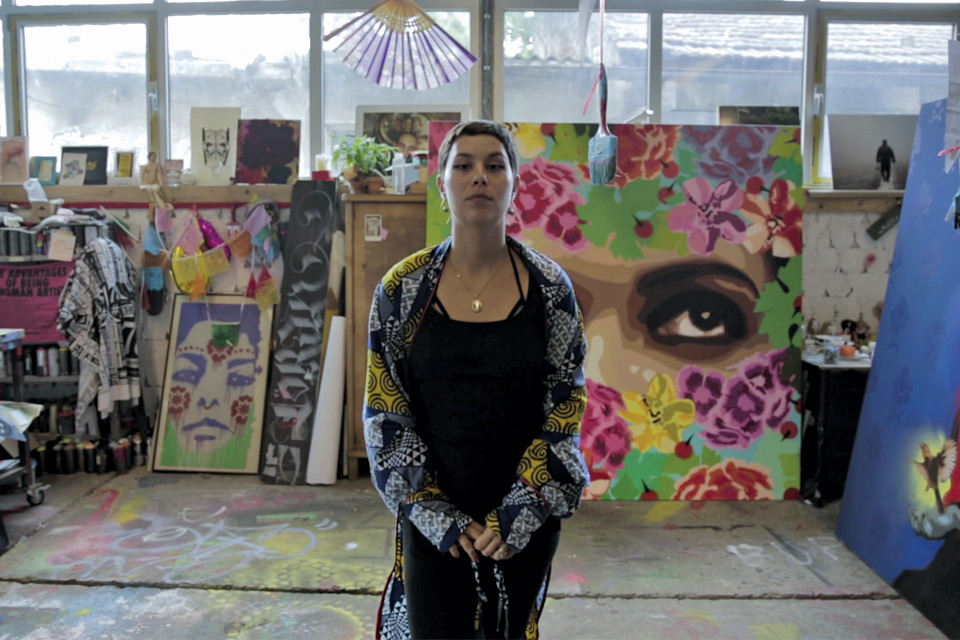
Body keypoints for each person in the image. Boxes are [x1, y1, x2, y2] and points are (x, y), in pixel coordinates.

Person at [364, 119, 590, 639]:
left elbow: (565, 405)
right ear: (442, 185)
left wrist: (521, 510)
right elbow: (385, 410)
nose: (479, 177)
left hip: (523, 520)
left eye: (495, 165)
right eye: (463, 165)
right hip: (435, 524)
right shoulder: (402, 290)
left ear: (515, 184)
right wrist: (433, 511)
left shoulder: (550, 290)